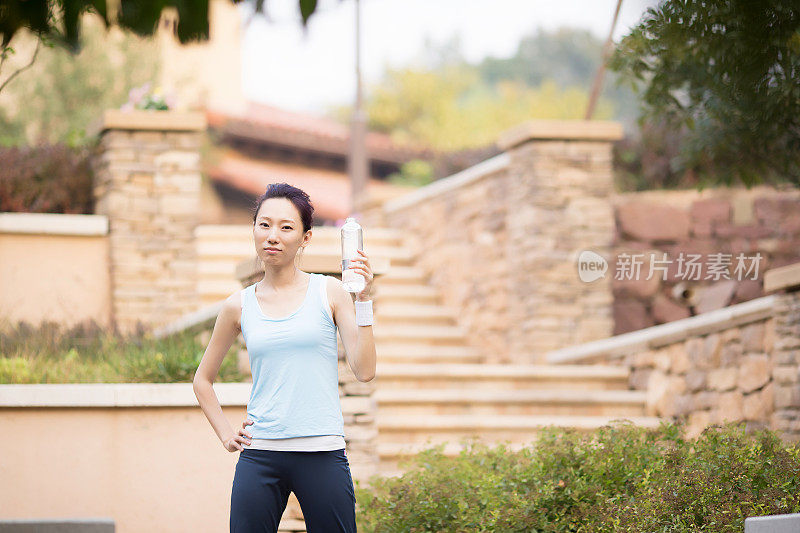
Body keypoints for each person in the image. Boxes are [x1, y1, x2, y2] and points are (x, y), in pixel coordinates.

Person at [192, 182, 377, 533]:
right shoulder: (238, 305)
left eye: (286, 227)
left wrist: (363, 301)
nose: (273, 235)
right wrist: (226, 434)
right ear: (254, 230)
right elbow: (203, 380)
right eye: (264, 224)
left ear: (306, 238)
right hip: (260, 455)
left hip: (322, 452)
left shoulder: (330, 292)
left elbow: (365, 371)